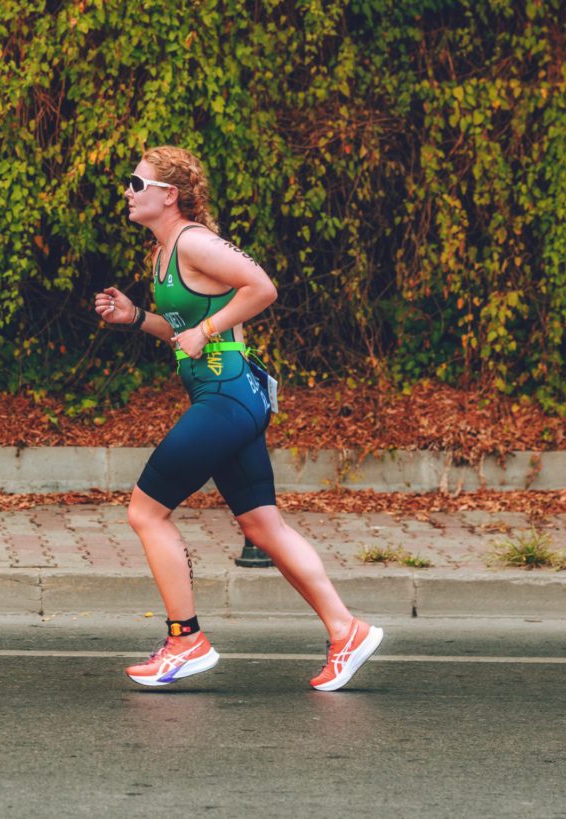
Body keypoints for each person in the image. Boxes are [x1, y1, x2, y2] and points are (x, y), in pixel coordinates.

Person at [94, 145, 383, 692]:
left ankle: (186, 641)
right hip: (231, 395)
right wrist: (135, 318)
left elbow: (262, 288)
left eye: (136, 183)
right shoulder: (163, 254)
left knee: (145, 513)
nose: (127, 192)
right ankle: (346, 630)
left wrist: (207, 330)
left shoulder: (195, 242)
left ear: (167, 195)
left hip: (225, 398)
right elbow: (183, 332)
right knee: (261, 525)